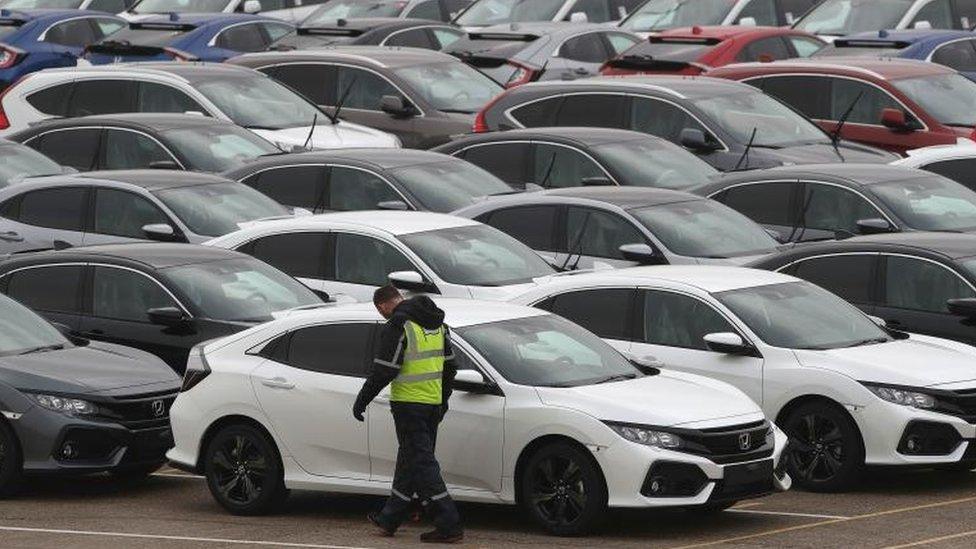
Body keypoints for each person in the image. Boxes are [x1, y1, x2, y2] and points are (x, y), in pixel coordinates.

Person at [353, 285, 463, 544]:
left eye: (380, 312)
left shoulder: (398, 325)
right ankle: (390, 517)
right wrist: (443, 401)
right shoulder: (438, 325)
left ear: (382, 306)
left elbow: (385, 370)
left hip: (408, 406)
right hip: (432, 404)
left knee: (423, 464)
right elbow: (451, 368)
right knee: (410, 460)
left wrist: (362, 400)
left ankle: (449, 524)